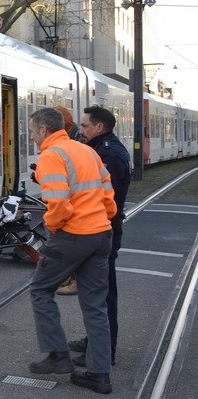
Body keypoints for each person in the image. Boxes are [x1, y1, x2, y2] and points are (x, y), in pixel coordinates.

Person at [26, 106, 116, 394]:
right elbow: (108, 195)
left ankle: (57, 354)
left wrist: (52, 228)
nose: (31, 137)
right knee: (94, 304)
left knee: (41, 290)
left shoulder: (50, 156)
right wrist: (101, 217)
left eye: (31, 131)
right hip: (101, 233)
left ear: (43, 131)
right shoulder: (85, 150)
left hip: (73, 235)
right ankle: (99, 373)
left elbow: (59, 204)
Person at [69, 105, 131, 367]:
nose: (80, 130)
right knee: (95, 293)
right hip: (99, 231)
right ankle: (96, 342)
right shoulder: (101, 149)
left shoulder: (109, 154)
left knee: (102, 295)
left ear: (99, 127)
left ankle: (104, 352)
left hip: (101, 232)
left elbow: (106, 201)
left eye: (84, 126)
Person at [53, 105, 84, 296]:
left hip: (75, 205)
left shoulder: (75, 140)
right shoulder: (73, 138)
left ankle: (73, 280)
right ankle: (70, 278)